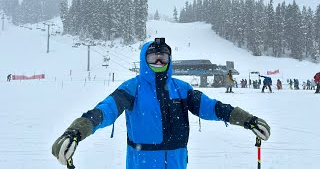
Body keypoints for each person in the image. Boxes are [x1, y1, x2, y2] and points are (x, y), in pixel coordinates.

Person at [51, 38, 271, 169]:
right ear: (143, 61)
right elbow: (106, 109)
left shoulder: (181, 88)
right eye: (153, 58)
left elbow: (212, 107)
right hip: (142, 163)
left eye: (163, 58)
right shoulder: (132, 87)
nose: (158, 62)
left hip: (176, 162)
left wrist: (247, 120)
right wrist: (77, 131)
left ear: (169, 61)